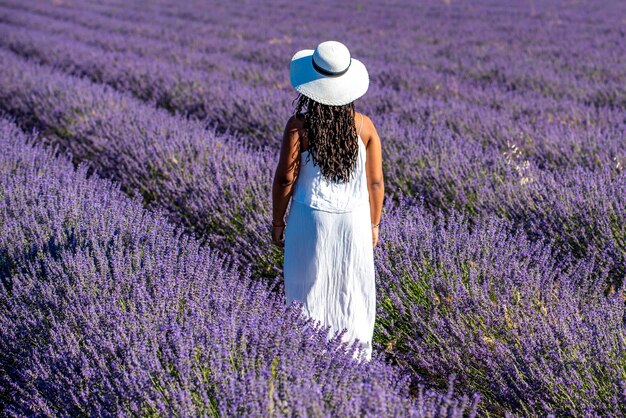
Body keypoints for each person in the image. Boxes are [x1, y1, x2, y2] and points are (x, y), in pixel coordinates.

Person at [271, 40, 384, 362]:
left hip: (309, 216)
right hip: (354, 219)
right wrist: (374, 224)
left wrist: (278, 222)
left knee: (307, 289)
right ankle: (356, 360)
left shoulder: (299, 127)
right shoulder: (364, 126)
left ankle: (310, 359)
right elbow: (375, 182)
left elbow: (285, 179)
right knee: (353, 289)